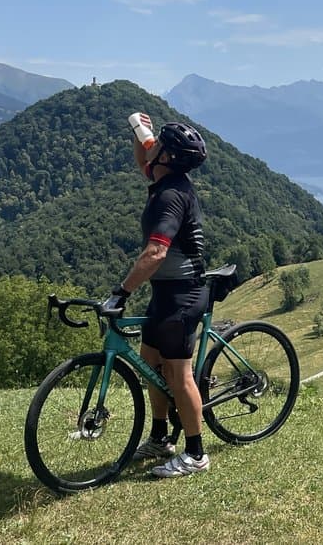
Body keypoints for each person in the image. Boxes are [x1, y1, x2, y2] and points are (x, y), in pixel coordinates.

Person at [100, 115, 211, 478]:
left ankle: (196, 454)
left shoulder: (170, 197)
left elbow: (155, 254)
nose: (153, 147)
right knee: (150, 364)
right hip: (164, 292)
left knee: (179, 377)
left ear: (169, 158)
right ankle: (161, 438)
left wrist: (121, 293)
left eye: (158, 144)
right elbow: (143, 158)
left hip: (183, 295)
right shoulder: (165, 175)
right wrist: (137, 130)